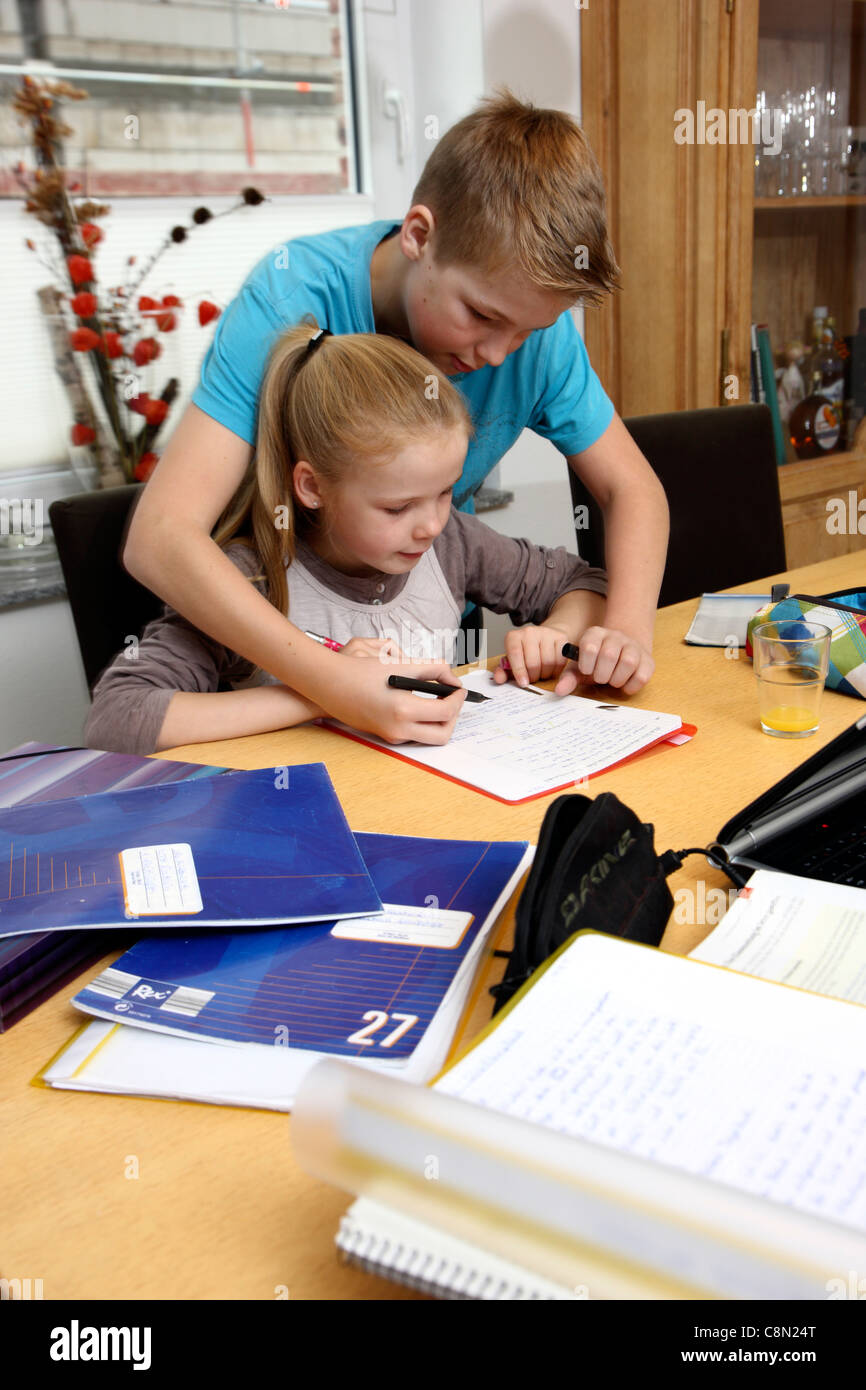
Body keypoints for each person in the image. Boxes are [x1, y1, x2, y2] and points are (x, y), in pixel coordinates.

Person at [122, 90, 668, 745]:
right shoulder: (291, 298)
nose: (498, 354)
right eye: (482, 316)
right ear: (419, 235)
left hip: (416, 659)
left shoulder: (527, 326)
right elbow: (160, 537)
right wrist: (330, 685)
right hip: (279, 659)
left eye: (530, 330)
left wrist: (623, 630)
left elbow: (631, 488)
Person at [85, 325, 608, 756]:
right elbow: (117, 719)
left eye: (446, 491)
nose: (429, 524)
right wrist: (328, 692)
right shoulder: (250, 577)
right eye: (397, 507)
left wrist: (557, 629)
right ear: (312, 487)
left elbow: (583, 581)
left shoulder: (452, 543)